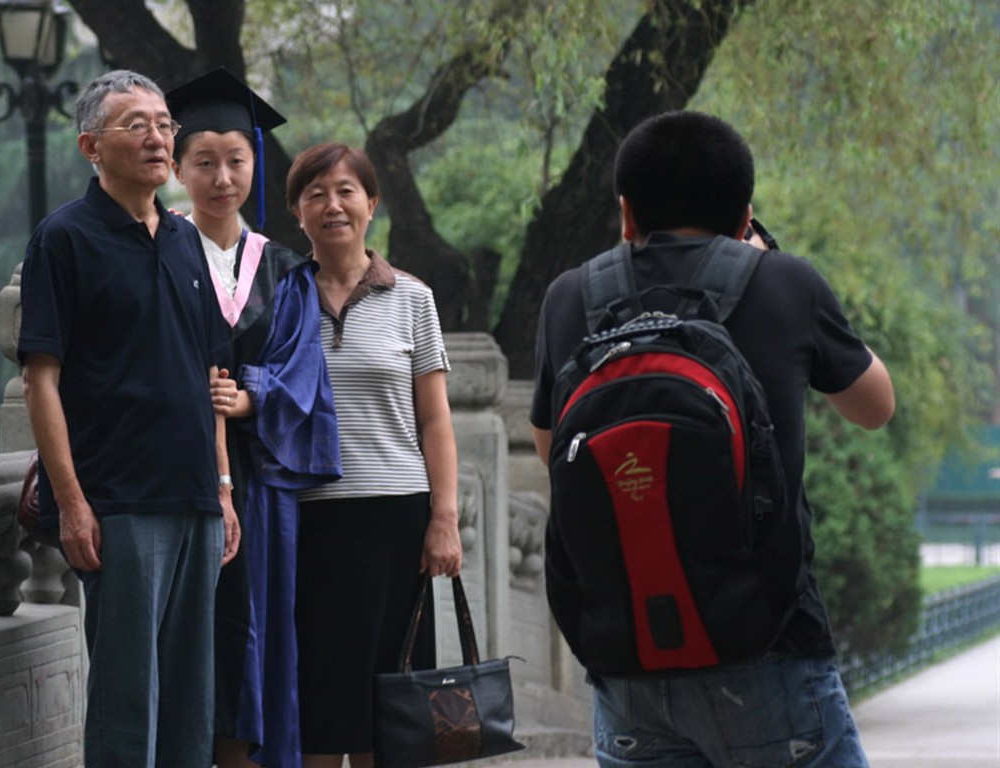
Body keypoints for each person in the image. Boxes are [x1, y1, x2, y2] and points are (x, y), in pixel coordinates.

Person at [529, 110, 895, 767]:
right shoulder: (786, 282)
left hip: (627, 655)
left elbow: (550, 449)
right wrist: (772, 270)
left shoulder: (570, 297)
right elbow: (876, 406)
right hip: (768, 647)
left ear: (626, 215)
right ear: (743, 214)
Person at [17, 68, 240, 768]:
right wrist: (74, 505)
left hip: (195, 500)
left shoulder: (183, 241)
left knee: (189, 703)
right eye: (136, 124)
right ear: (92, 145)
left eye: (165, 123)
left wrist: (224, 487)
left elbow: (211, 375)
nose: (158, 136)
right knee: (126, 703)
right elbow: (39, 380)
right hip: (118, 504)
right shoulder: (65, 239)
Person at [164, 68, 329, 768]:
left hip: (261, 490)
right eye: (204, 162)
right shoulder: (158, 253)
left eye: (236, 160)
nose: (222, 177)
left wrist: (253, 395)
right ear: (177, 168)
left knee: (257, 636)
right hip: (177, 481)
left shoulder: (285, 270)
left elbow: (305, 371)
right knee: (188, 640)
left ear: (256, 164)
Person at [281, 142, 463, 768]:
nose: (332, 206)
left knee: (396, 703)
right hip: (311, 523)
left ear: (371, 203)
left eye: (345, 191)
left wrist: (445, 517)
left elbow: (435, 419)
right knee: (321, 706)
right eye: (315, 194)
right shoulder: (279, 298)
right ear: (296, 213)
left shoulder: (412, 298)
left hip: (397, 519)